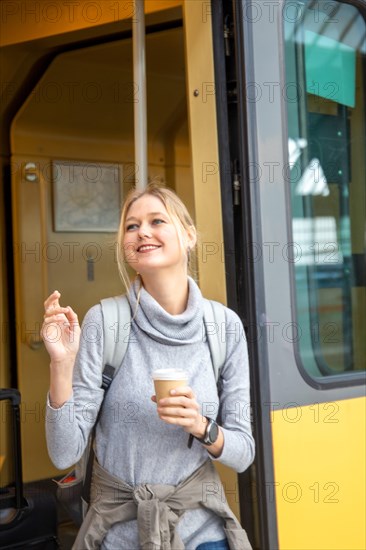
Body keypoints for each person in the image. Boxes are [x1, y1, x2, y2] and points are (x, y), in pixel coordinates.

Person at [42, 184, 255, 550]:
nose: (142, 232)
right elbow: (64, 453)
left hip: (201, 534)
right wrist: (61, 364)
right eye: (131, 226)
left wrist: (202, 426)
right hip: (119, 535)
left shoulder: (224, 327)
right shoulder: (104, 321)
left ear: (188, 236)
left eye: (157, 220)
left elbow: (243, 453)